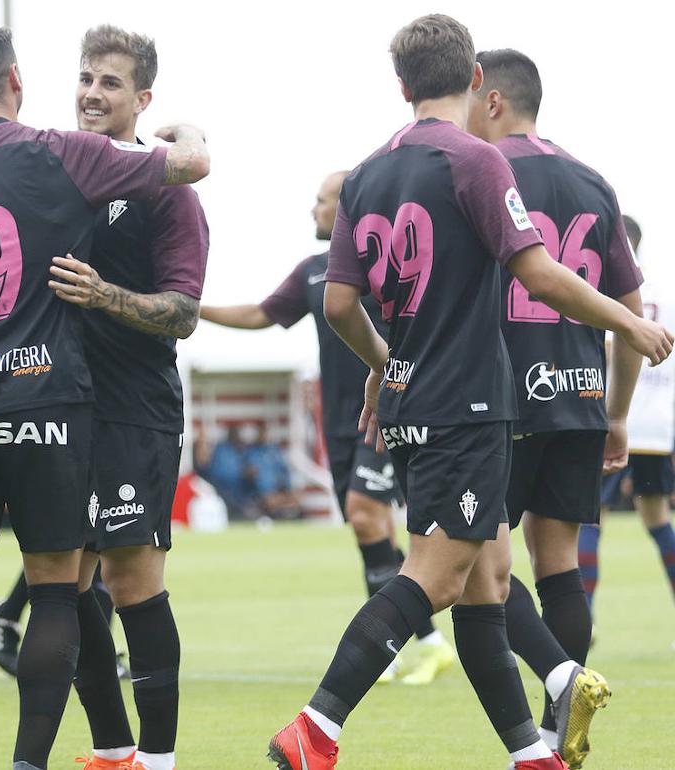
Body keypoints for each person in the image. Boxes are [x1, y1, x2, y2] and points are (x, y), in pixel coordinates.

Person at [267, 14, 673, 770]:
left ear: (401, 84)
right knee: (439, 577)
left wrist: (386, 367)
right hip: (471, 405)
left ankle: (532, 753)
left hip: (415, 400)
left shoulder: (366, 173)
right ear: (474, 81)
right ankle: (316, 726)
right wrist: (630, 322)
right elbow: (540, 272)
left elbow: (338, 306)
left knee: (487, 583)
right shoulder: (476, 161)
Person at [0, 23, 209, 770]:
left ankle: (159, 758)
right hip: (57, 405)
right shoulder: (51, 168)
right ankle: (112, 747)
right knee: (66, 586)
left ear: (143, 98)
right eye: (87, 78)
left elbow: (185, 314)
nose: (94, 93)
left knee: (132, 580)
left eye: (112, 82)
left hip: (131, 408)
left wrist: (105, 296)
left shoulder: (157, 191)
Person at [200, 170, 456, 685]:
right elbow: (261, 313)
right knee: (372, 532)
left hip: (390, 414)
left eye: (320, 201)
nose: (313, 210)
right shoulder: (314, 272)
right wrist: (192, 308)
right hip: (339, 425)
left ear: (346, 209)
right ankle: (414, 645)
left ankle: (419, 642)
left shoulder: (391, 266)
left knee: (367, 517)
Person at [465, 48, 648, 765]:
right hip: (578, 395)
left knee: (477, 563)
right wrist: (618, 413)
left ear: (494, 99)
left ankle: (559, 687)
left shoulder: (482, 173)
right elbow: (628, 314)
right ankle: (551, 736)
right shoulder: (594, 182)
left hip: (500, 398)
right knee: (559, 563)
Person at [578, 216, 675, 610]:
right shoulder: (665, 295)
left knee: (589, 516)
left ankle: (584, 616)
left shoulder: (599, 291)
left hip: (611, 416)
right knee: (656, 517)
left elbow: (605, 347)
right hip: (656, 426)